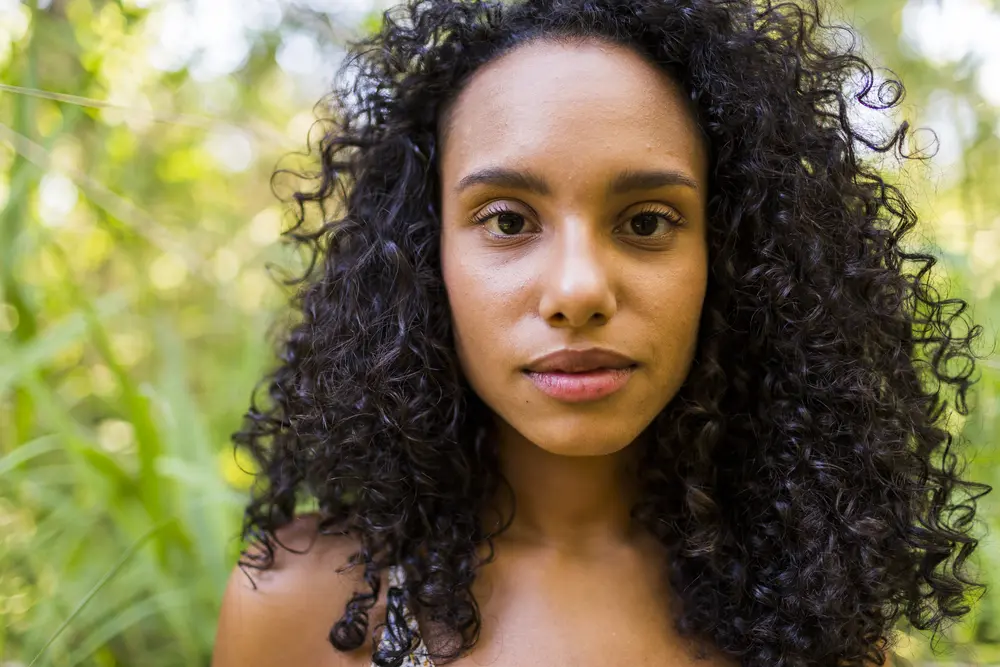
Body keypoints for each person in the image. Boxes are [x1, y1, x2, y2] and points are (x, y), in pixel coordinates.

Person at [210, 0, 991, 666]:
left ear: (730, 253)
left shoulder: (810, 607)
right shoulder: (304, 605)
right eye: (509, 221)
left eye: (647, 221)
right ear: (423, 253)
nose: (578, 289)